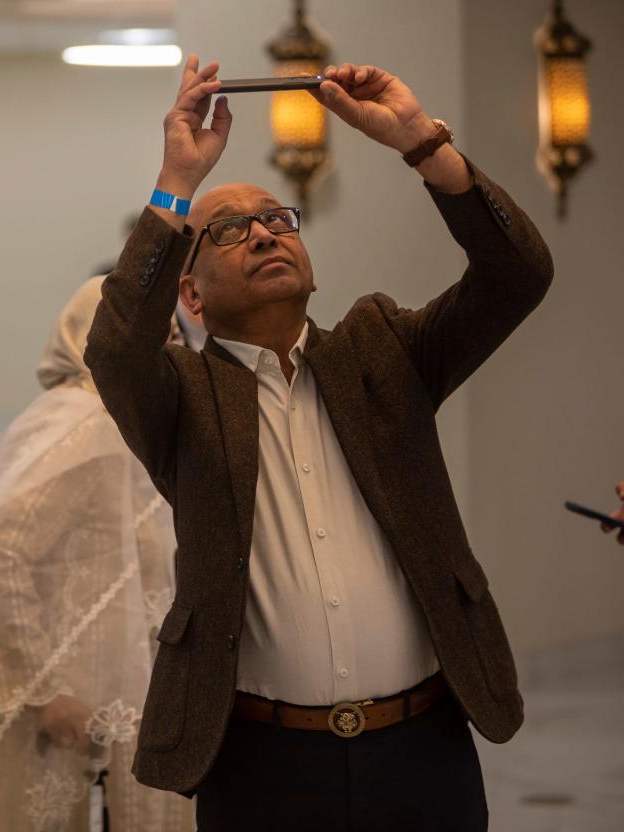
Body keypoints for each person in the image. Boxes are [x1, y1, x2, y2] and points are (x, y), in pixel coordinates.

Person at [84, 56, 553, 831]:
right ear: (190, 296)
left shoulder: (383, 351)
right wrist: (177, 184)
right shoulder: (179, 398)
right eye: (229, 230)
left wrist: (421, 144)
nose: (264, 234)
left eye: (277, 220)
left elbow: (518, 275)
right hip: (261, 765)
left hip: (424, 747)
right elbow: (113, 348)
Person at [0, 278, 193, 832]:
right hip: (75, 706)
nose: (167, 349)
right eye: (148, 334)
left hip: (125, 694)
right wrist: (44, 689)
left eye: (173, 335)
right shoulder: (81, 420)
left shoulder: (128, 421)